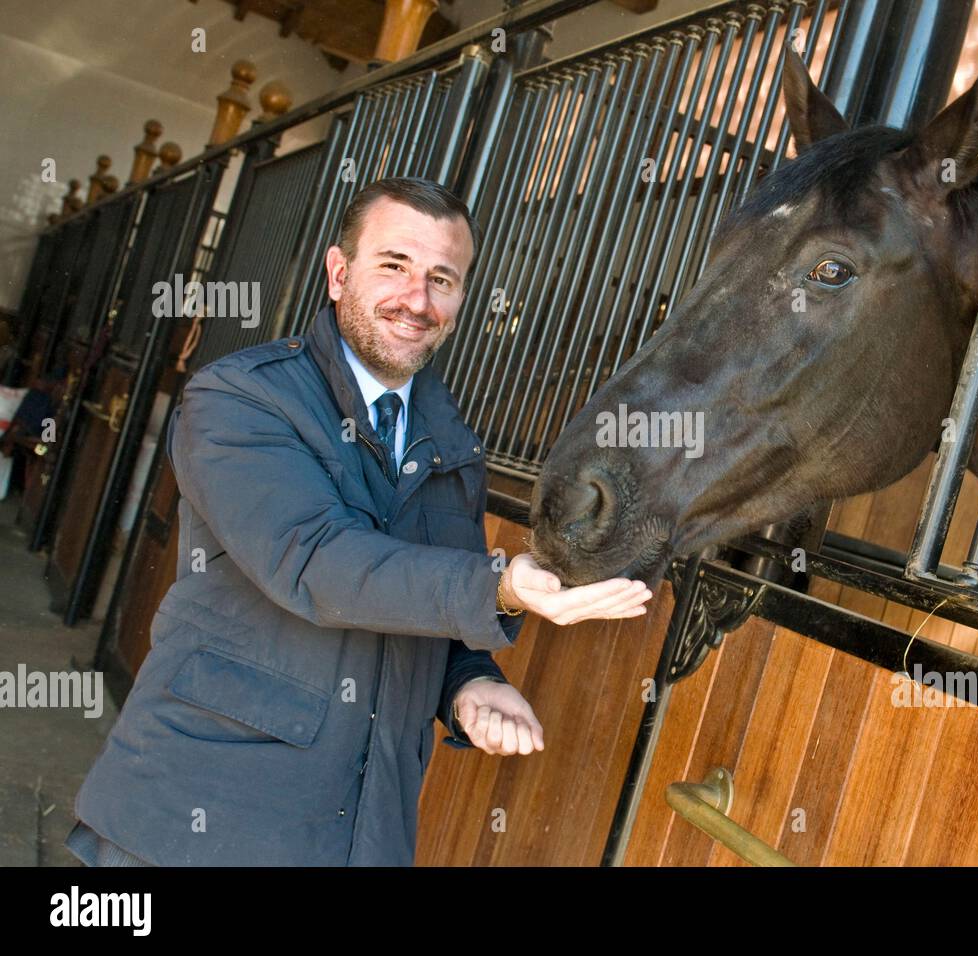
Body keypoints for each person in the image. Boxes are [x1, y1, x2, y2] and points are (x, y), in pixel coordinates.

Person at [65, 177, 652, 866]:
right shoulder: (242, 398)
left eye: (443, 279)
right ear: (339, 273)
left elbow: (423, 605)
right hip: (199, 816)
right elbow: (318, 563)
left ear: (462, 304)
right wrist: (502, 586)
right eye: (394, 267)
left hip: (361, 831)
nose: (417, 300)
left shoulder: (450, 439)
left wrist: (469, 684)